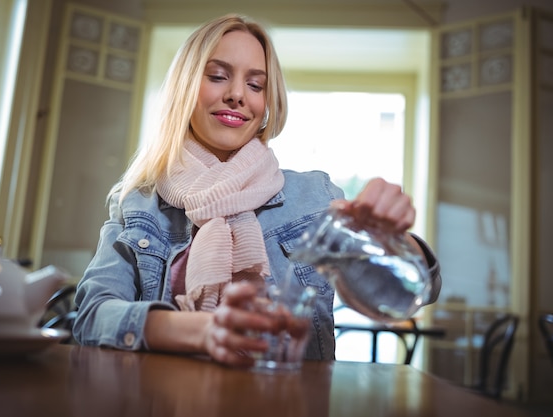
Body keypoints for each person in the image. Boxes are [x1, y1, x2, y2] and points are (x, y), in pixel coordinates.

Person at [73, 13, 442, 368]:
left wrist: (393, 242)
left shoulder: (315, 197)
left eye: (255, 85)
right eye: (217, 76)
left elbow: (405, 292)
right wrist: (201, 332)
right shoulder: (138, 202)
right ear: (184, 88)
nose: (237, 95)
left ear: (267, 104)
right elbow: (91, 316)